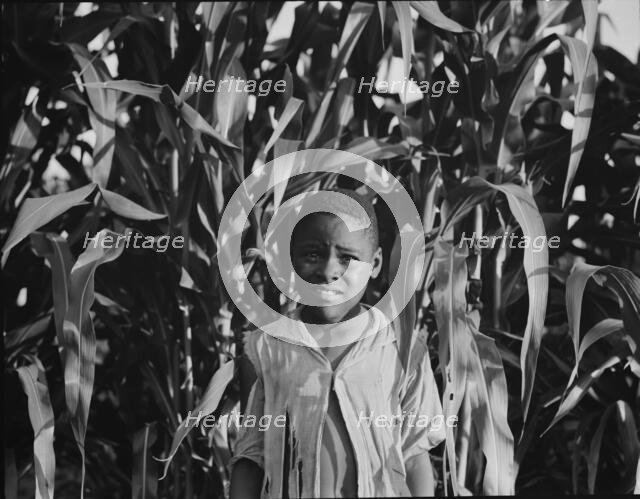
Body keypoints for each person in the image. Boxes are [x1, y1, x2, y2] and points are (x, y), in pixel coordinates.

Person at [229, 188, 445, 498]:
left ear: (375, 264)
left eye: (347, 257)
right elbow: (251, 456)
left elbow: (414, 456)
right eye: (313, 254)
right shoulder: (264, 349)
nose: (330, 271)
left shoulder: (403, 347)